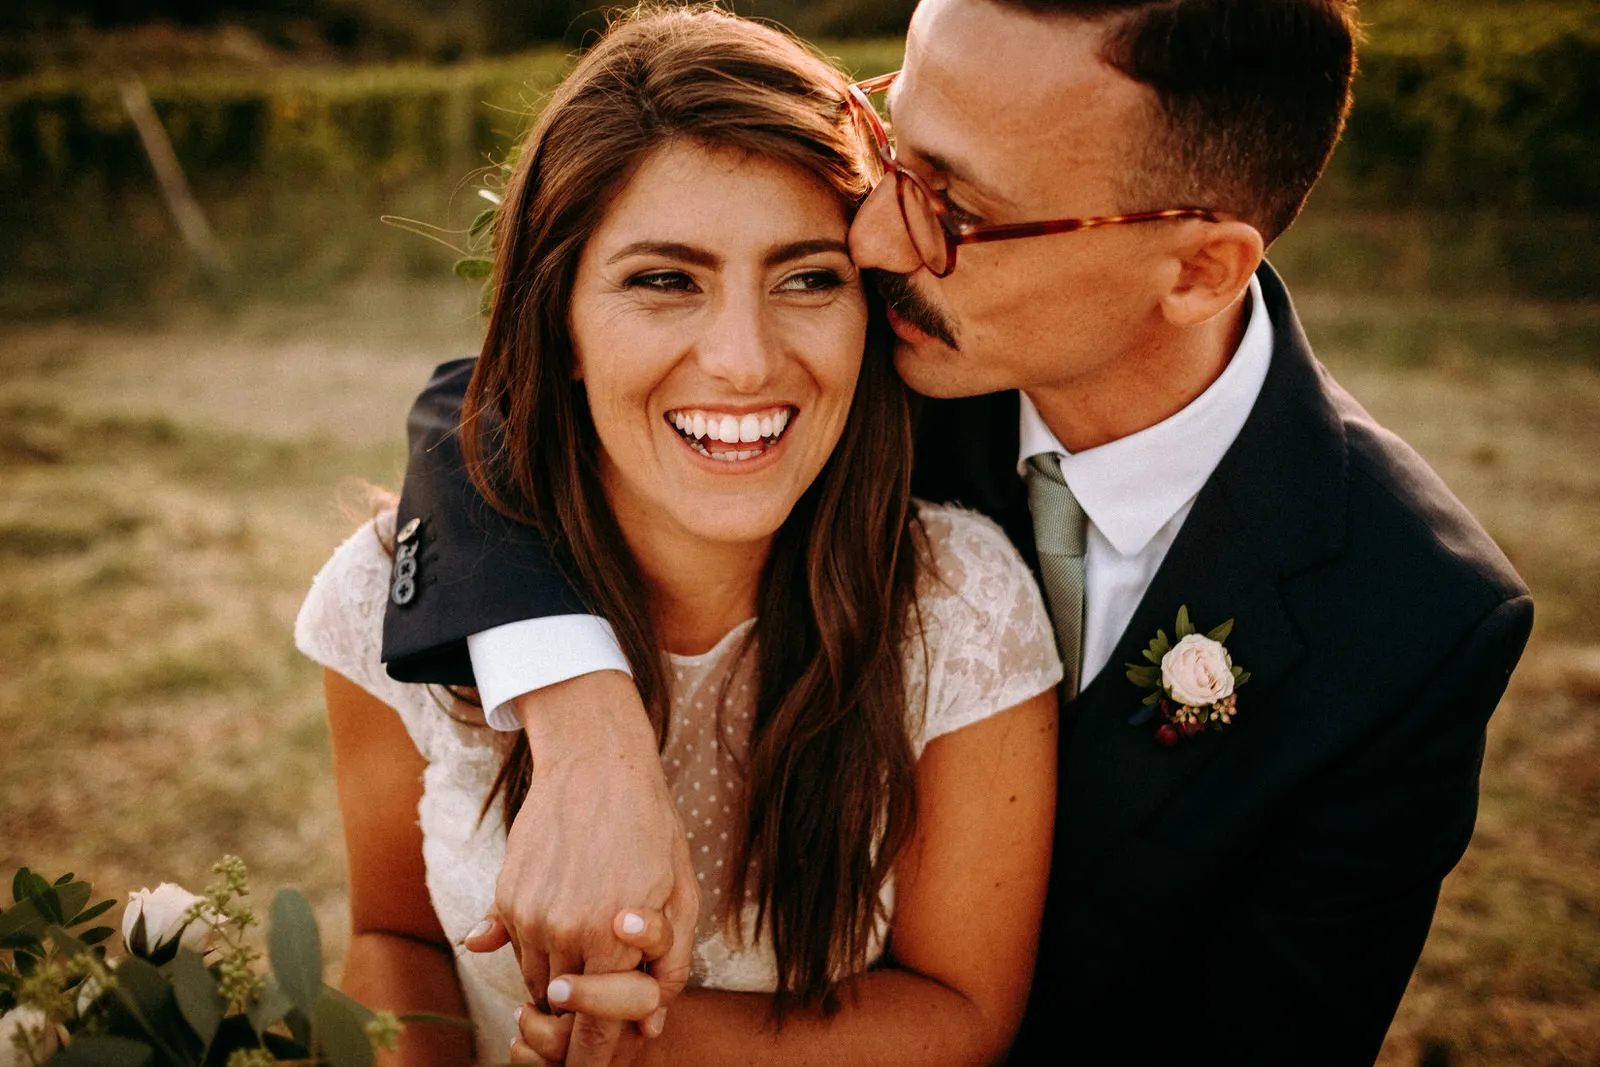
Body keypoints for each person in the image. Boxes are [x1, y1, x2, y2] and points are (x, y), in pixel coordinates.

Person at [383, 0, 1535, 1063]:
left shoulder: (1411, 623)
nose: (876, 238)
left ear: (1195, 269)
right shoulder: (868, 347)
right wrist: (585, 722)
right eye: (893, 146)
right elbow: (486, 404)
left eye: (959, 208)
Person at [296, 8, 1061, 1066]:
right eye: (664, 280)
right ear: (556, 317)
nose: (743, 360)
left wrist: (629, 1048)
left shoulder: (962, 605)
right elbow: (393, 936)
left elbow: (960, 1008)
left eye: (807, 278)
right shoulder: (383, 593)